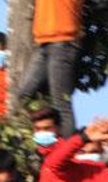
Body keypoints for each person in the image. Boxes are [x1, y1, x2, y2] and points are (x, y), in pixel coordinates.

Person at [17, 0, 80, 131]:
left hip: (63, 41)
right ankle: (41, 130)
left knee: (61, 103)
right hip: (43, 41)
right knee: (24, 94)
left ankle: (67, 142)